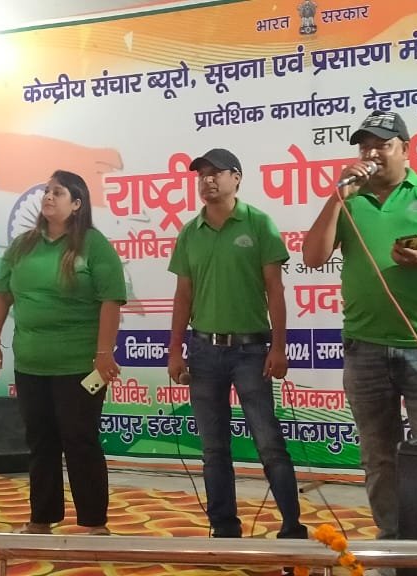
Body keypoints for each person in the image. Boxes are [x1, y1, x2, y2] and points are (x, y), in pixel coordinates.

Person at [301, 111, 417, 558]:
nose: (372, 153)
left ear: (406, 149)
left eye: (382, 144)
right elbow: (313, 257)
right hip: (364, 350)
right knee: (379, 457)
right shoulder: (350, 199)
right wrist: (337, 197)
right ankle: (394, 548)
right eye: (365, 145)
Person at [165, 148, 307, 544]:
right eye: (202, 175)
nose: (208, 180)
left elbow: (275, 291)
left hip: (252, 351)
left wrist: (279, 347)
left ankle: (292, 527)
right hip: (203, 351)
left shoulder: (259, 223)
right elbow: (182, 297)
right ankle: (225, 528)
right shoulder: (189, 232)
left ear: (237, 178)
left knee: (269, 443)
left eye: (216, 173)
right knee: (213, 449)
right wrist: (175, 351)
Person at [0, 170, 124, 536]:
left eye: (57, 192)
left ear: (76, 204)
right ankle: (41, 518)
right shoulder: (22, 246)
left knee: (79, 440)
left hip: (79, 365)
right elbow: (1, 295)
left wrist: (104, 352)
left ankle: (94, 523)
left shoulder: (93, 244)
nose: (48, 196)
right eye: (46, 191)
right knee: (40, 441)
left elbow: (111, 301)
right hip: (30, 363)